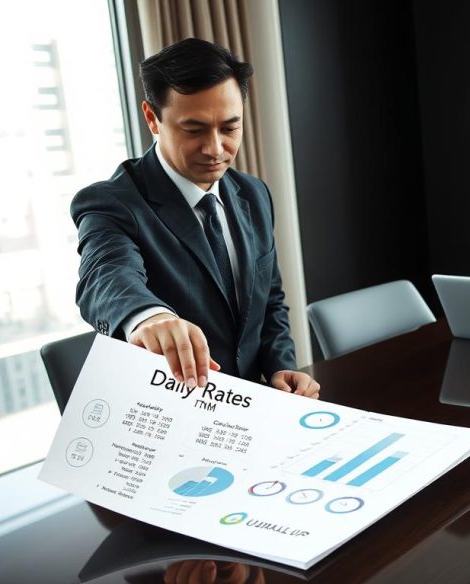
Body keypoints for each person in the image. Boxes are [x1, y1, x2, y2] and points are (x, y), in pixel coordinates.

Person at [73, 38, 319, 398]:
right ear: (152, 118)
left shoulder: (253, 193)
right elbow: (105, 274)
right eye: (194, 130)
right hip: (169, 412)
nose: (216, 149)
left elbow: (269, 302)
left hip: (253, 407)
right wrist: (149, 316)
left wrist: (281, 366)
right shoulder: (112, 202)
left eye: (230, 128)